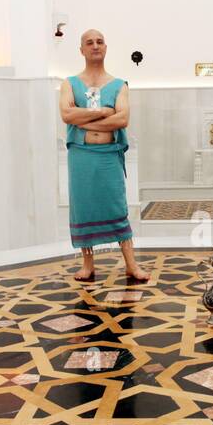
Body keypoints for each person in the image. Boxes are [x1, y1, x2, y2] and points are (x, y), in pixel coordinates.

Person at [59, 28, 149, 282]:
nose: (95, 45)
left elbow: (123, 119)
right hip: (81, 156)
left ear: (106, 47)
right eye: (89, 42)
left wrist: (83, 118)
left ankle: (131, 264)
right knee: (84, 206)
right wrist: (103, 113)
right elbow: (66, 115)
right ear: (82, 50)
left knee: (116, 205)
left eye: (99, 41)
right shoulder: (69, 83)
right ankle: (88, 264)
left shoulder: (119, 85)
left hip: (108, 156)